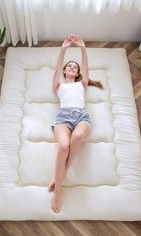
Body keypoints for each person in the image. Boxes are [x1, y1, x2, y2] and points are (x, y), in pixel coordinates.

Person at [49, 35, 103, 213]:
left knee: (77, 136)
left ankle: (58, 183)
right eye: (69, 66)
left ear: (78, 73)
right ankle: (58, 187)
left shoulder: (82, 84)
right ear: (65, 71)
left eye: (75, 67)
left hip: (81, 117)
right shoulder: (58, 85)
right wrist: (63, 49)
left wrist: (83, 49)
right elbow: (57, 69)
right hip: (63, 119)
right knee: (64, 146)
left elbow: (86, 67)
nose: (72, 67)